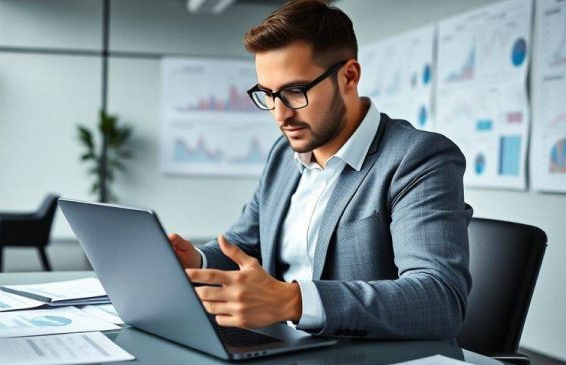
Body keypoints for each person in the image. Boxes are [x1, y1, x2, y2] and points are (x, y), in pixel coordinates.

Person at [168, 0, 472, 339]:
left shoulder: (417, 157)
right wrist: (196, 260)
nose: (280, 114)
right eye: (267, 94)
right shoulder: (284, 155)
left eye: (295, 92)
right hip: (283, 353)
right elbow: (245, 246)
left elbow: (439, 297)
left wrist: (293, 301)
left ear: (349, 76)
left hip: (363, 364)